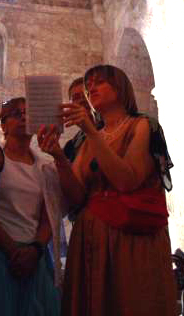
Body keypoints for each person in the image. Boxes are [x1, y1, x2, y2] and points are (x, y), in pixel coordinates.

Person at [38, 63, 176, 316]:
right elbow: (76, 197)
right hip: (90, 240)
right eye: (88, 84)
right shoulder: (90, 138)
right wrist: (58, 156)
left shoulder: (142, 125)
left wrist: (91, 132)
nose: (90, 88)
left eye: (99, 82)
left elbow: (127, 180)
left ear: (120, 88)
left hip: (131, 241)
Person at [0, 97, 62, 316]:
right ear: (4, 125)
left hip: (33, 256)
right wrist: (13, 251)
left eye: (28, 113)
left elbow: (48, 218)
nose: (24, 117)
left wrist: (35, 250)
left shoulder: (45, 166)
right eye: (17, 114)